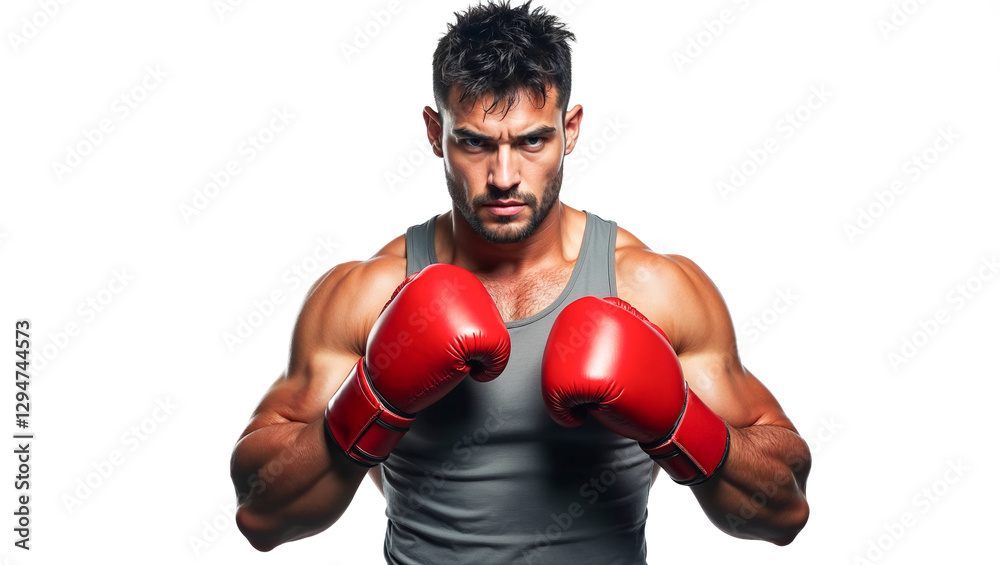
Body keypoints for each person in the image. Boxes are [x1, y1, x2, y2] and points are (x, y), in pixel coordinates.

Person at [229, 2, 811, 562]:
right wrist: (372, 401)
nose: (503, 177)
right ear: (436, 134)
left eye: (532, 140)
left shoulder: (650, 289)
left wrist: (680, 422)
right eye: (475, 142)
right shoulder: (370, 294)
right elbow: (262, 515)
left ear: (571, 128)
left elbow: (782, 510)